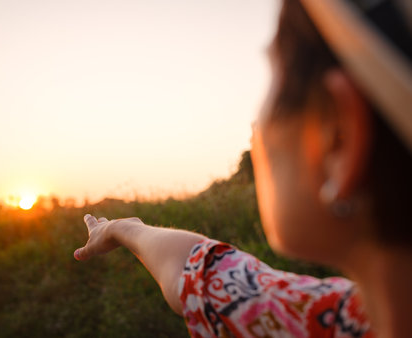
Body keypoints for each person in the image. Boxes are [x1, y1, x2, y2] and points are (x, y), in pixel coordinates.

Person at [74, 0, 412, 337]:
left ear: (337, 135)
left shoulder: (330, 322)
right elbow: (197, 271)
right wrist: (124, 228)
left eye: (273, 74)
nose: (255, 127)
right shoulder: (339, 315)